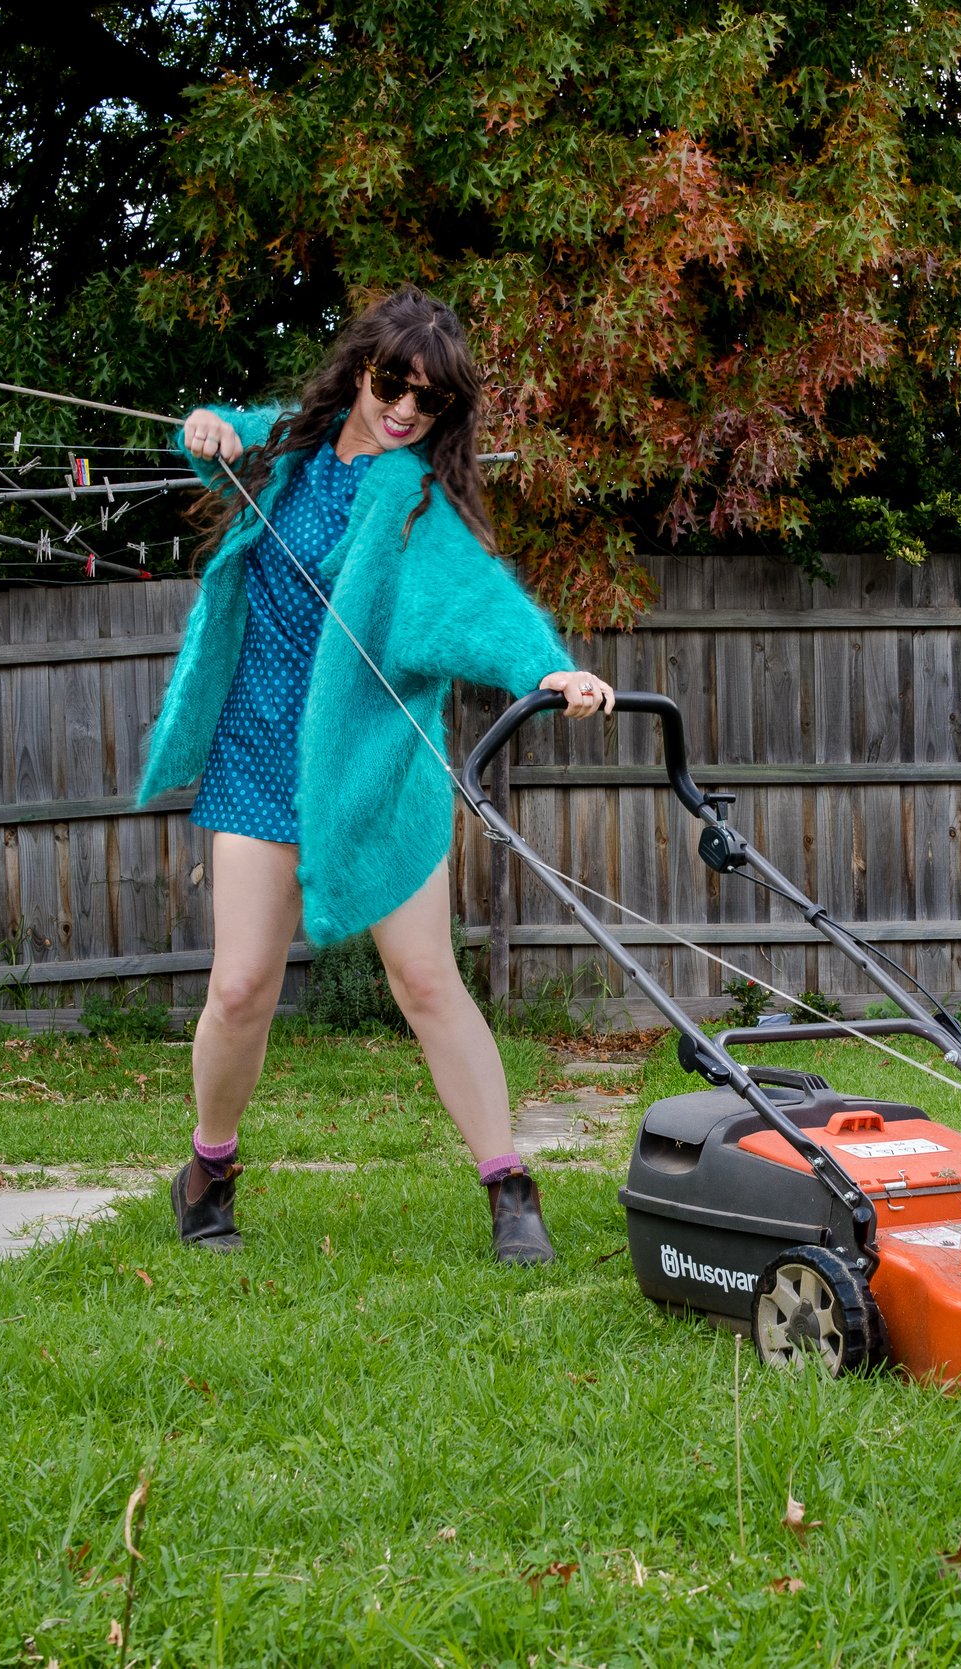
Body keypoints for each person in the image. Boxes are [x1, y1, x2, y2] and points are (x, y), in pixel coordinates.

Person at [135, 286, 615, 1265]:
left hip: (376, 764)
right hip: (257, 752)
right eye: (394, 384)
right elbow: (218, 436)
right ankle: (209, 1169)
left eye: (429, 400)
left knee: (427, 977)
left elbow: (480, 600)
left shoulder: (419, 507)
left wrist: (549, 669)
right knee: (241, 987)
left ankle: (509, 1186)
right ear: (362, 369)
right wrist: (205, 426)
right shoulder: (287, 446)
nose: (405, 409)